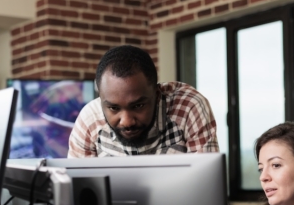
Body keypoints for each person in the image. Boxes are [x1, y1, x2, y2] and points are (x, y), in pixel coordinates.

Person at [68, 45, 219, 157]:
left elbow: (207, 189)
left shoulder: (189, 108)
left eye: (138, 105)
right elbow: (76, 193)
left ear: (158, 94)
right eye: (114, 108)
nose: (127, 122)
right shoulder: (89, 120)